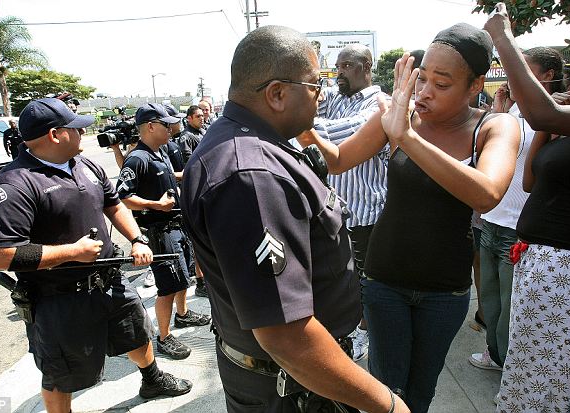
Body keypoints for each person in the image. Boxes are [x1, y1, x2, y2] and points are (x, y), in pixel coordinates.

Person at [180, 25, 408, 413]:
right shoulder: (252, 176)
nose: (323, 96)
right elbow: (287, 336)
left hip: (282, 379)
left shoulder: (247, 143)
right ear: (277, 93)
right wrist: (385, 404)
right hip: (291, 388)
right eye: (315, 84)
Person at [298, 23, 520, 413]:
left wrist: (408, 137)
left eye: (442, 83)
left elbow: (486, 194)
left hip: (445, 289)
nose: (425, 92)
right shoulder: (401, 117)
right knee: (384, 390)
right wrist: (303, 126)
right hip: (385, 281)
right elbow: (339, 159)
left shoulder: (493, 126)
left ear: (474, 85)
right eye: (421, 80)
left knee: (420, 391)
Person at [0, 98, 192, 413]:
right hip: (60, 299)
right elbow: (0, 256)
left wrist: (136, 238)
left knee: (136, 333)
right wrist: (73, 252)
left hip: (110, 281)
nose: (83, 134)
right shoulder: (16, 183)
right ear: (55, 135)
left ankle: (152, 379)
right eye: (76, 128)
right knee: (60, 372)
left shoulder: (84, 164)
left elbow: (114, 204)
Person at [485, 6, 570, 413]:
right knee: (525, 370)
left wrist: (503, 39)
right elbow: (531, 182)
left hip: (569, 266)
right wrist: (551, 130)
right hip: (540, 260)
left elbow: (540, 112)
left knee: (545, 379)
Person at [469, 46, 564, 376]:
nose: (511, 75)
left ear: (548, 76)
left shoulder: (557, 117)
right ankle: (497, 357)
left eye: (522, 69)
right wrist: (499, 111)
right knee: (492, 304)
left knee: (513, 309)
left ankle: (514, 374)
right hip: (492, 222)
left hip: (520, 230)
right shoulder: (512, 115)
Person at [308, 43, 389, 361]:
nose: (338, 72)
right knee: (341, 277)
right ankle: (347, 328)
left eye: (345, 66)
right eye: (336, 66)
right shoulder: (335, 98)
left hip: (365, 211)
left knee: (365, 280)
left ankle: (366, 333)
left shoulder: (379, 103)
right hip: (334, 209)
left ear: (366, 66)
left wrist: (303, 126)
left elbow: (342, 133)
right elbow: (315, 111)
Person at [116, 103, 210, 360]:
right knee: (167, 286)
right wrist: (155, 205)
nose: (171, 129)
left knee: (182, 278)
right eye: (165, 124)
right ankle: (164, 337)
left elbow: (170, 177)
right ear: (150, 126)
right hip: (159, 232)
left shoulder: (161, 153)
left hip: (176, 227)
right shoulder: (138, 158)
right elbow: (122, 197)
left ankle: (182, 315)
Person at [163, 103, 209, 298]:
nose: (202, 118)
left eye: (202, 115)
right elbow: (191, 165)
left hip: (205, 190)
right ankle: (201, 282)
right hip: (195, 193)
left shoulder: (202, 132)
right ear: (190, 118)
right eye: (198, 116)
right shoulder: (186, 137)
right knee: (199, 241)